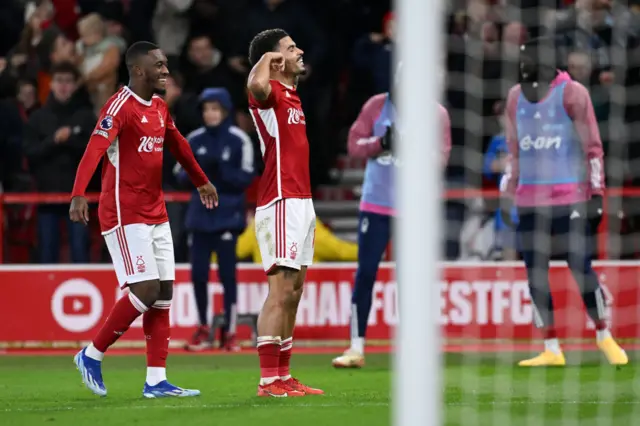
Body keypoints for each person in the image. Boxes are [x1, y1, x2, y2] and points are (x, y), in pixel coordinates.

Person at [69, 41, 218, 397]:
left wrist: (201, 181)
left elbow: (178, 144)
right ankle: (91, 354)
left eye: (166, 64)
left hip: (155, 210)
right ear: (139, 70)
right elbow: (95, 147)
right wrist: (78, 192)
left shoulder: (160, 108)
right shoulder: (120, 106)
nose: (166, 70)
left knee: (164, 293)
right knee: (146, 289)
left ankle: (156, 381)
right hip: (124, 211)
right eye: (160, 65)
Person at [500, 37, 627, 366]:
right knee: (535, 276)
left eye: (529, 65)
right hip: (529, 200)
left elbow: (594, 149)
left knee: (581, 268)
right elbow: (514, 153)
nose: (524, 71)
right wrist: (507, 193)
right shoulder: (515, 97)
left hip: (567, 197)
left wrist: (596, 194)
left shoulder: (572, 94)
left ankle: (604, 335)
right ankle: (551, 348)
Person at [332, 89, 451, 369]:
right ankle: (356, 347)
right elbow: (353, 145)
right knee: (366, 273)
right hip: (375, 204)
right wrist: (381, 142)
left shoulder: (436, 113)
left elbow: (441, 159)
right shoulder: (376, 105)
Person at [246, 28, 323, 397]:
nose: (300, 51)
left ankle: (284, 375)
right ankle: (267, 381)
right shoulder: (270, 94)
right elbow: (254, 86)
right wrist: (265, 60)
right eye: (291, 49)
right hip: (279, 200)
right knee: (278, 292)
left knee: (294, 291)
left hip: (302, 201)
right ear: (275, 60)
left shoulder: (291, 96)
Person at [179, 87, 255, 352]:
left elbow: (245, 178)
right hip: (199, 218)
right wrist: (199, 172)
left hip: (227, 217)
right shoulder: (194, 139)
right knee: (198, 275)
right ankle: (202, 327)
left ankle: (230, 331)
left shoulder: (238, 140)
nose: (210, 114)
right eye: (206, 109)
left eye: (215, 109)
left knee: (227, 276)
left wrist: (220, 169)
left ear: (224, 111)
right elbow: (178, 175)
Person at [23, 61, 95, 263]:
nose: (64, 86)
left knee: (80, 250)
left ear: (75, 85)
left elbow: (97, 153)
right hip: (47, 195)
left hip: (80, 196)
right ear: (51, 84)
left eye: (68, 81)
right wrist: (53, 140)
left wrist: (70, 139)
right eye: (59, 81)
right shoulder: (38, 117)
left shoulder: (86, 116)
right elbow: (30, 152)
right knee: (47, 250)